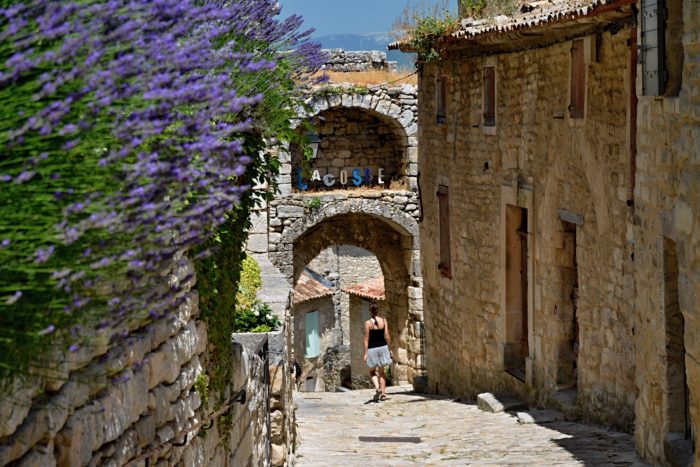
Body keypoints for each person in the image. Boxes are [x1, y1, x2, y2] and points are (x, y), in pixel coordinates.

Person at [363, 302, 392, 401]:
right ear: (377, 310)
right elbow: (387, 336)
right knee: (382, 372)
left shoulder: (368, 323)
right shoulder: (384, 321)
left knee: (372, 371)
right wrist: (390, 349)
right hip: (383, 347)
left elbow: (366, 338)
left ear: (370, 311)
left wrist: (366, 353)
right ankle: (383, 394)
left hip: (372, 349)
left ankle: (377, 388)